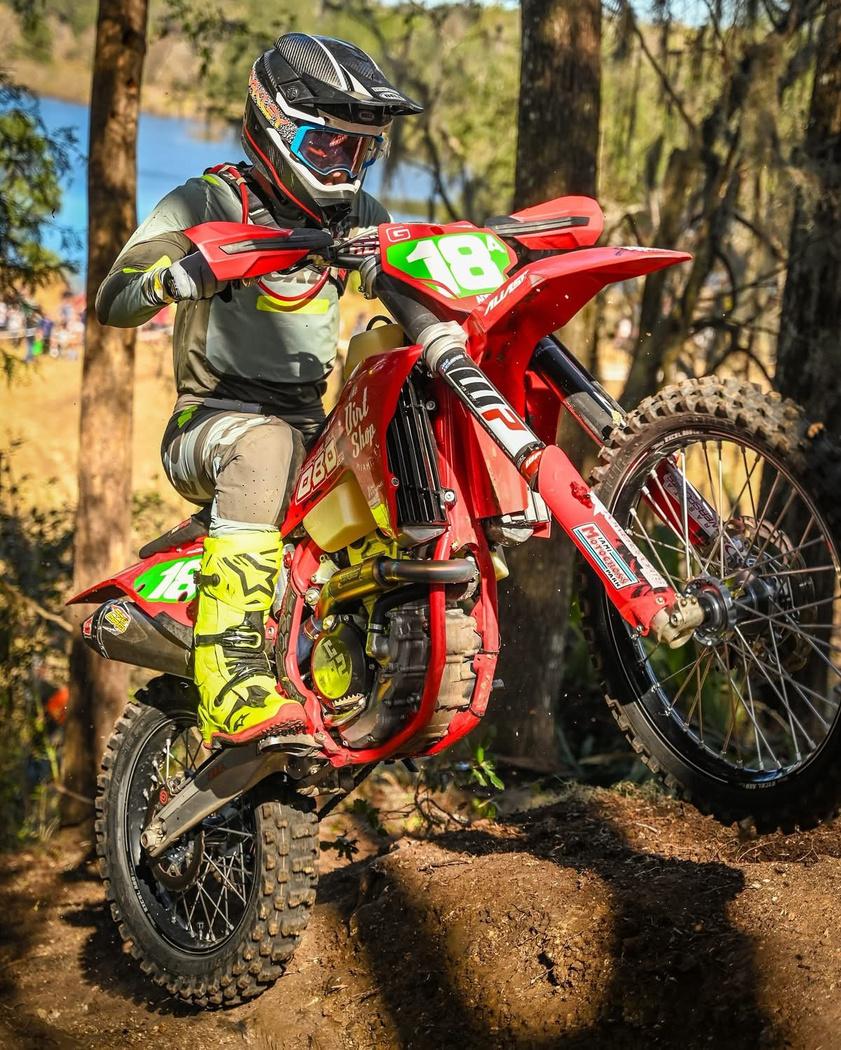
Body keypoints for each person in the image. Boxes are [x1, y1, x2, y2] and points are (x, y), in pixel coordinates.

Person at [96, 34, 421, 749]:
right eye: (326, 145)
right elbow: (113, 298)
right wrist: (176, 276)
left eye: (359, 151)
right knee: (265, 444)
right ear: (275, 126)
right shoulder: (209, 199)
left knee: (405, 408)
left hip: (311, 430)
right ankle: (230, 677)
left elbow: (416, 280)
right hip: (208, 424)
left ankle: (382, 651)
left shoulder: (356, 216)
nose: (343, 165)